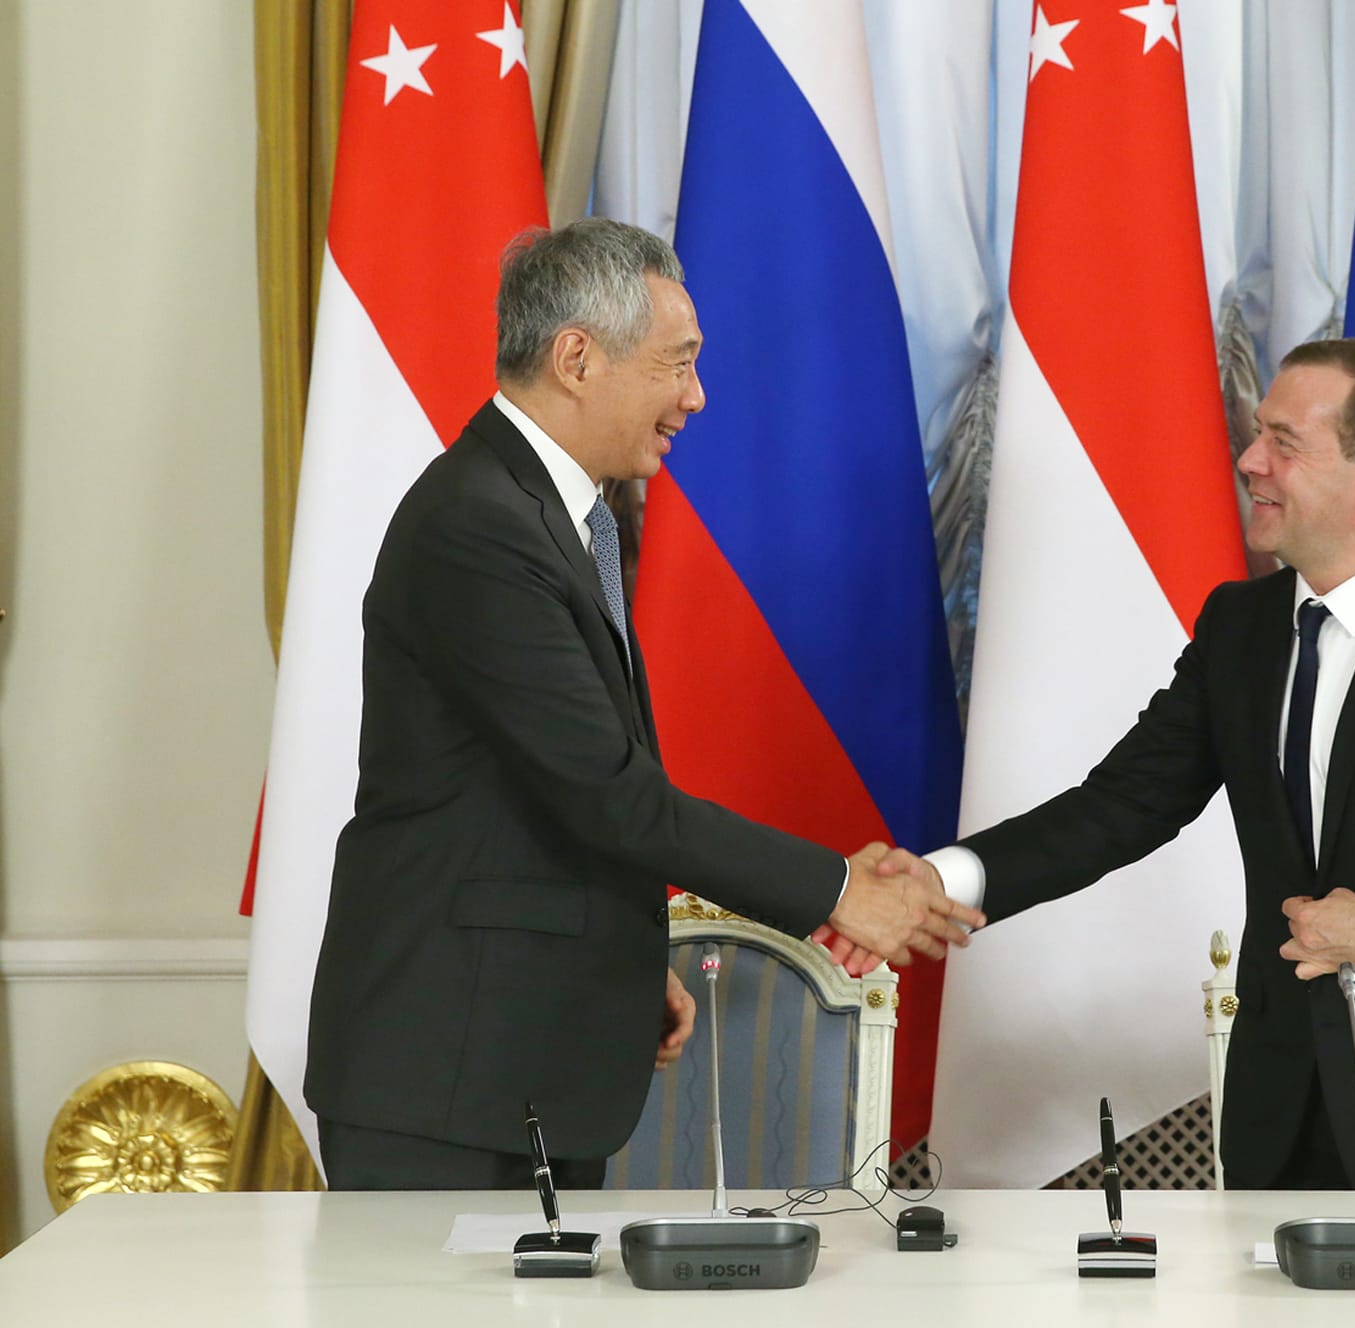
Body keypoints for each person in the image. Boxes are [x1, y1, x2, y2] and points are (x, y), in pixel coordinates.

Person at [304, 218, 982, 1191]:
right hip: (445, 1073)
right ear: (576, 357)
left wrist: (615, 962)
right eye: (678, 363)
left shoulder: (550, 516)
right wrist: (843, 889)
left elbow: (535, 801)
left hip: (522, 1048)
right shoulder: (479, 526)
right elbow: (612, 794)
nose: (695, 398)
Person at [885, 337, 1355, 1191]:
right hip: (1279, 1105)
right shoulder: (1239, 627)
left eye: (1284, 441)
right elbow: (1122, 803)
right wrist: (945, 880)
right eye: (1257, 434)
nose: (1249, 460)